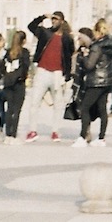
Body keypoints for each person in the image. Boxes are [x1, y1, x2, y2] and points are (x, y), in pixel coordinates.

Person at [23, 11, 74, 143]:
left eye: (56, 19)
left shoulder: (67, 38)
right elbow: (31, 26)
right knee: (35, 102)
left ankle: (55, 131)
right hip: (42, 71)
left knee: (58, 104)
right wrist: (42, 17)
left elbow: (69, 56)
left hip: (58, 73)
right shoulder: (45, 33)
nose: (53, 21)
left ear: (62, 21)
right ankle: (32, 130)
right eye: (52, 19)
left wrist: (67, 75)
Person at [74, 21, 112, 148]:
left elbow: (89, 65)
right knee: (102, 109)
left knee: (84, 108)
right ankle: (101, 138)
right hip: (108, 81)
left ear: (97, 31)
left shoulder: (97, 46)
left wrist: (84, 56)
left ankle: (83, 137)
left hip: (96, 81)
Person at [0, 31, 31, 145]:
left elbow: (1, 67)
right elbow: (25, 68)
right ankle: (13, 134)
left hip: (8, 82)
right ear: (23, 41)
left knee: (9, 109)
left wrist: (7, 76)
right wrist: (23, 76)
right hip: (18, 83)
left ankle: (7, 134)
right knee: (17, 110)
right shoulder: (24, 52)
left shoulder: (8, 52)